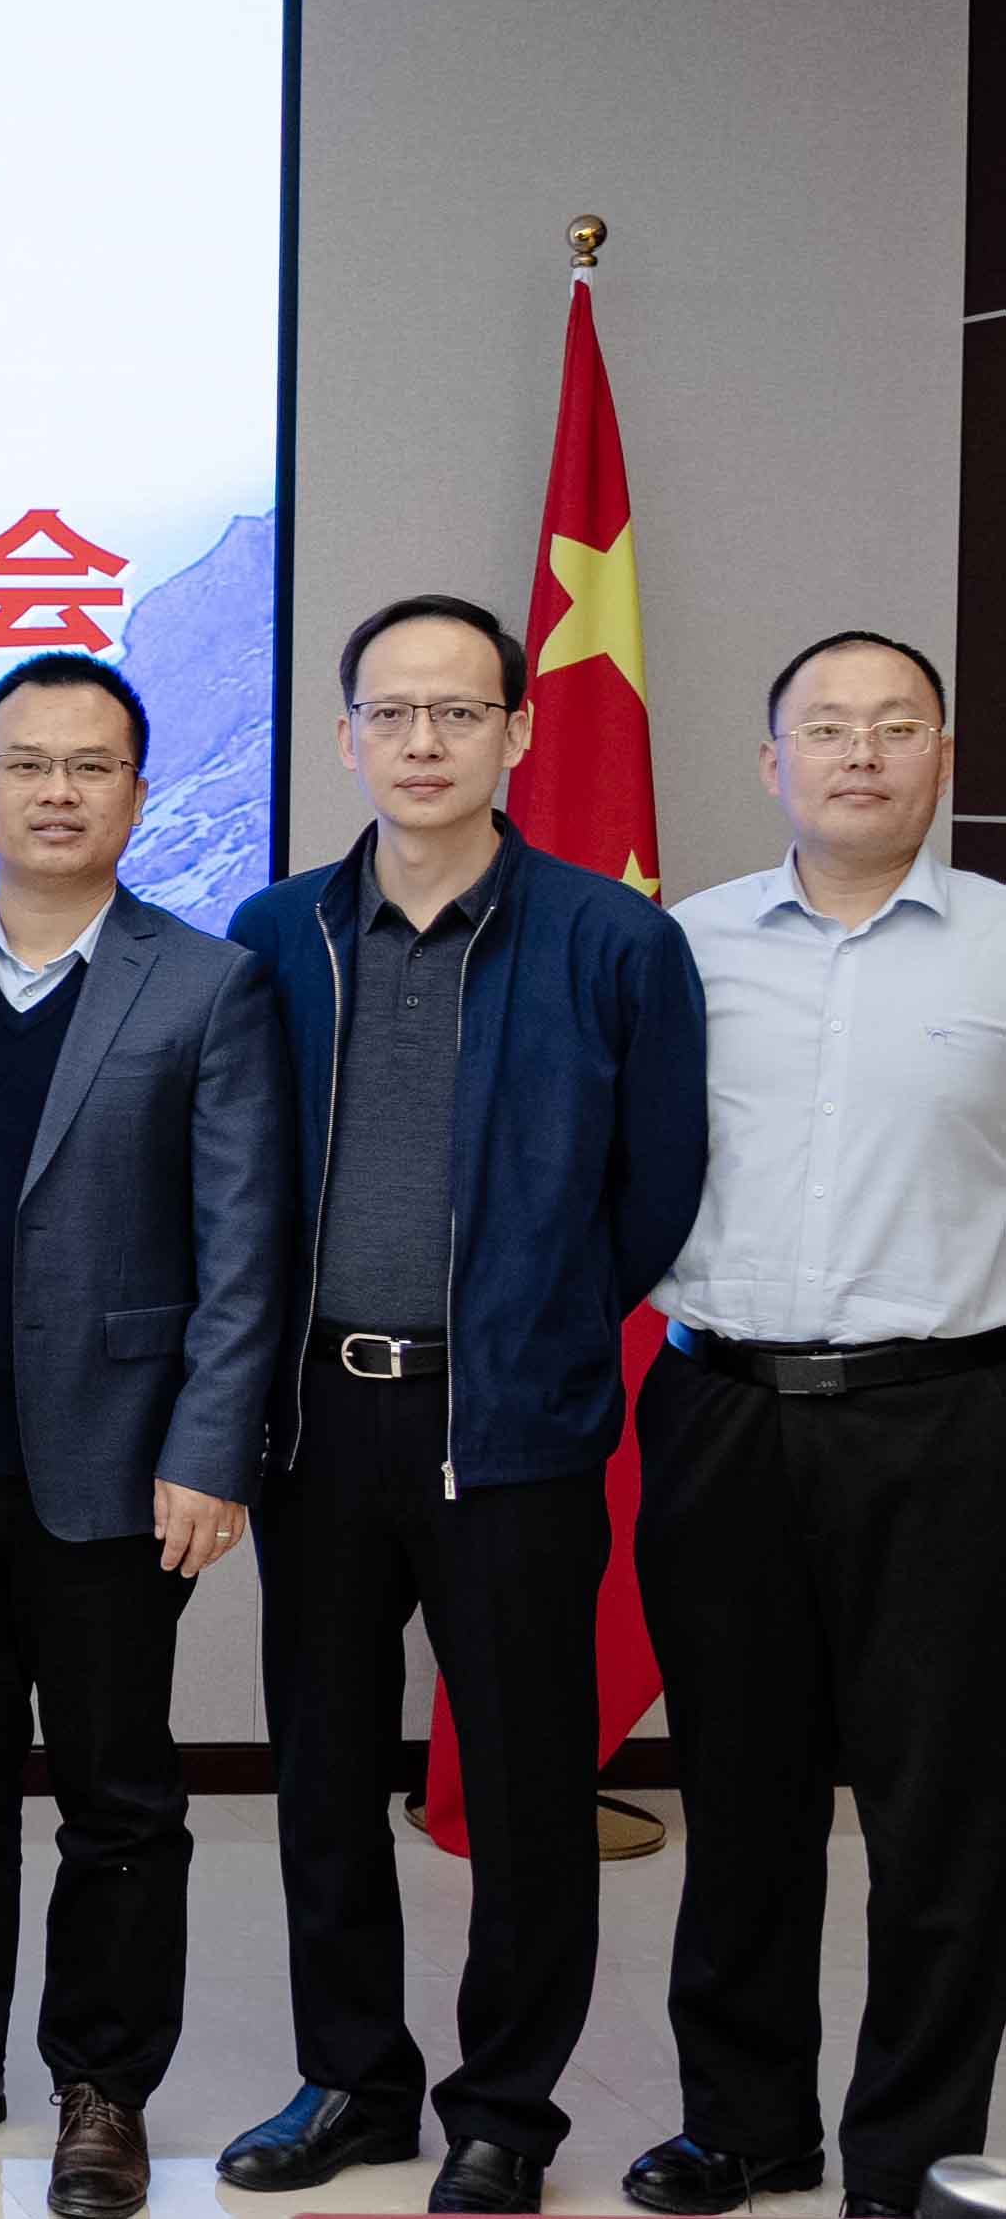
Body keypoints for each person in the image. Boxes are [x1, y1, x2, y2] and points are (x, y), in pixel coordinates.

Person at [216, 592, 706, 2217]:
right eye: (391, 712)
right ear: (345, 734)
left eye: (457, 711)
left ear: (518, 729)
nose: (422, 741)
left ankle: (505, 2111)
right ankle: (352, 2083)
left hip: (510, 1425)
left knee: (526, 1788)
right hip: (316, 1422)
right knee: (323, 1777)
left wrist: (535, 1327)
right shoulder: (277, 933)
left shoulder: (611, 940)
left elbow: (657, 1191)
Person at [0, 654, 291, 2219]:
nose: (55, 790)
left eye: (89, 765)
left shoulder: (207, 981)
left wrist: (213, 1446)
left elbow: (246, 1242)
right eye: (24, 762)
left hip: (121, 1456)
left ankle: (106, 2084)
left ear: (137, 794)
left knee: (120, 1797)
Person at [624, 630, 1005, 2219]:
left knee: (946, 1815)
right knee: (741, 1794)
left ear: (941, 758)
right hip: (725, 1410)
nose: (861, 753)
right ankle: (747, 2122)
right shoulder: (682, 949)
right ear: (772, 761)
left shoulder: (1003, 946)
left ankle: (910, 2157)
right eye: (827, 729)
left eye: (895, 727)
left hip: (950, 1419)